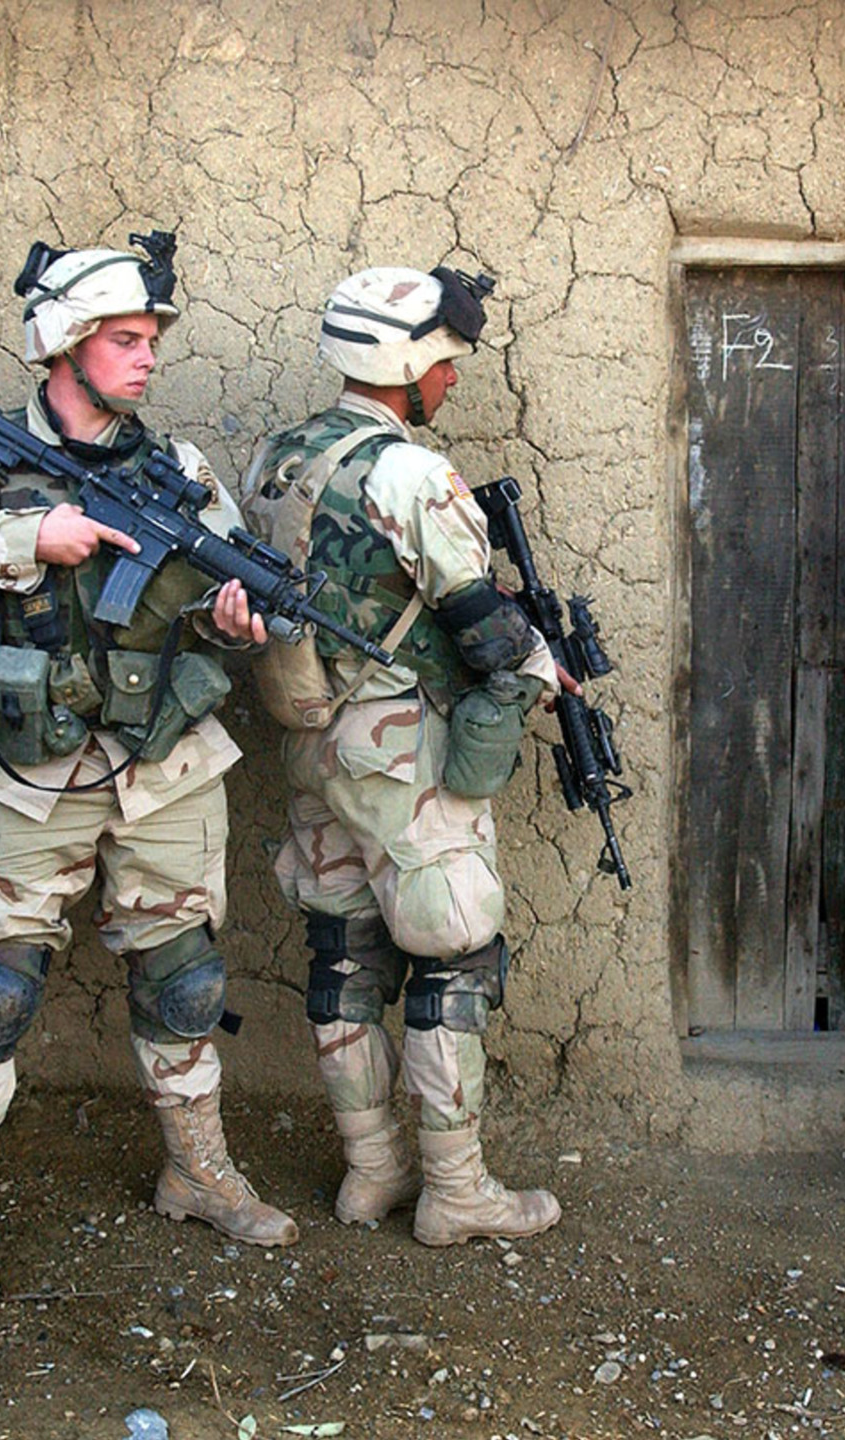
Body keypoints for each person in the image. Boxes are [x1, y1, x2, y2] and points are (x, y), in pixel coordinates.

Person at [0, 236, 292, 1310]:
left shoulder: (182, 472)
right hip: (24, 769)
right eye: (126, 339)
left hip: (162, 760)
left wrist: (233, 620)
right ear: (64, 344)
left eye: (153, 339)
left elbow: (215, 602)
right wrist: (28, 544)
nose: (148, 357)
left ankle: (196, 1169)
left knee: (186, 977)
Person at [241, 265, 562, 1246]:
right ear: (406, 361)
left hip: (310, 743)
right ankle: (456, 1191)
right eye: (445, 362)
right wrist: (540, 668)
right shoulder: (411, 475)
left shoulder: (274, 459)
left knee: (342, 957)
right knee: (453, 959)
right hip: (399, 752)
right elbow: (479, 626)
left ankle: (370, 1170)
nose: (451, 380)